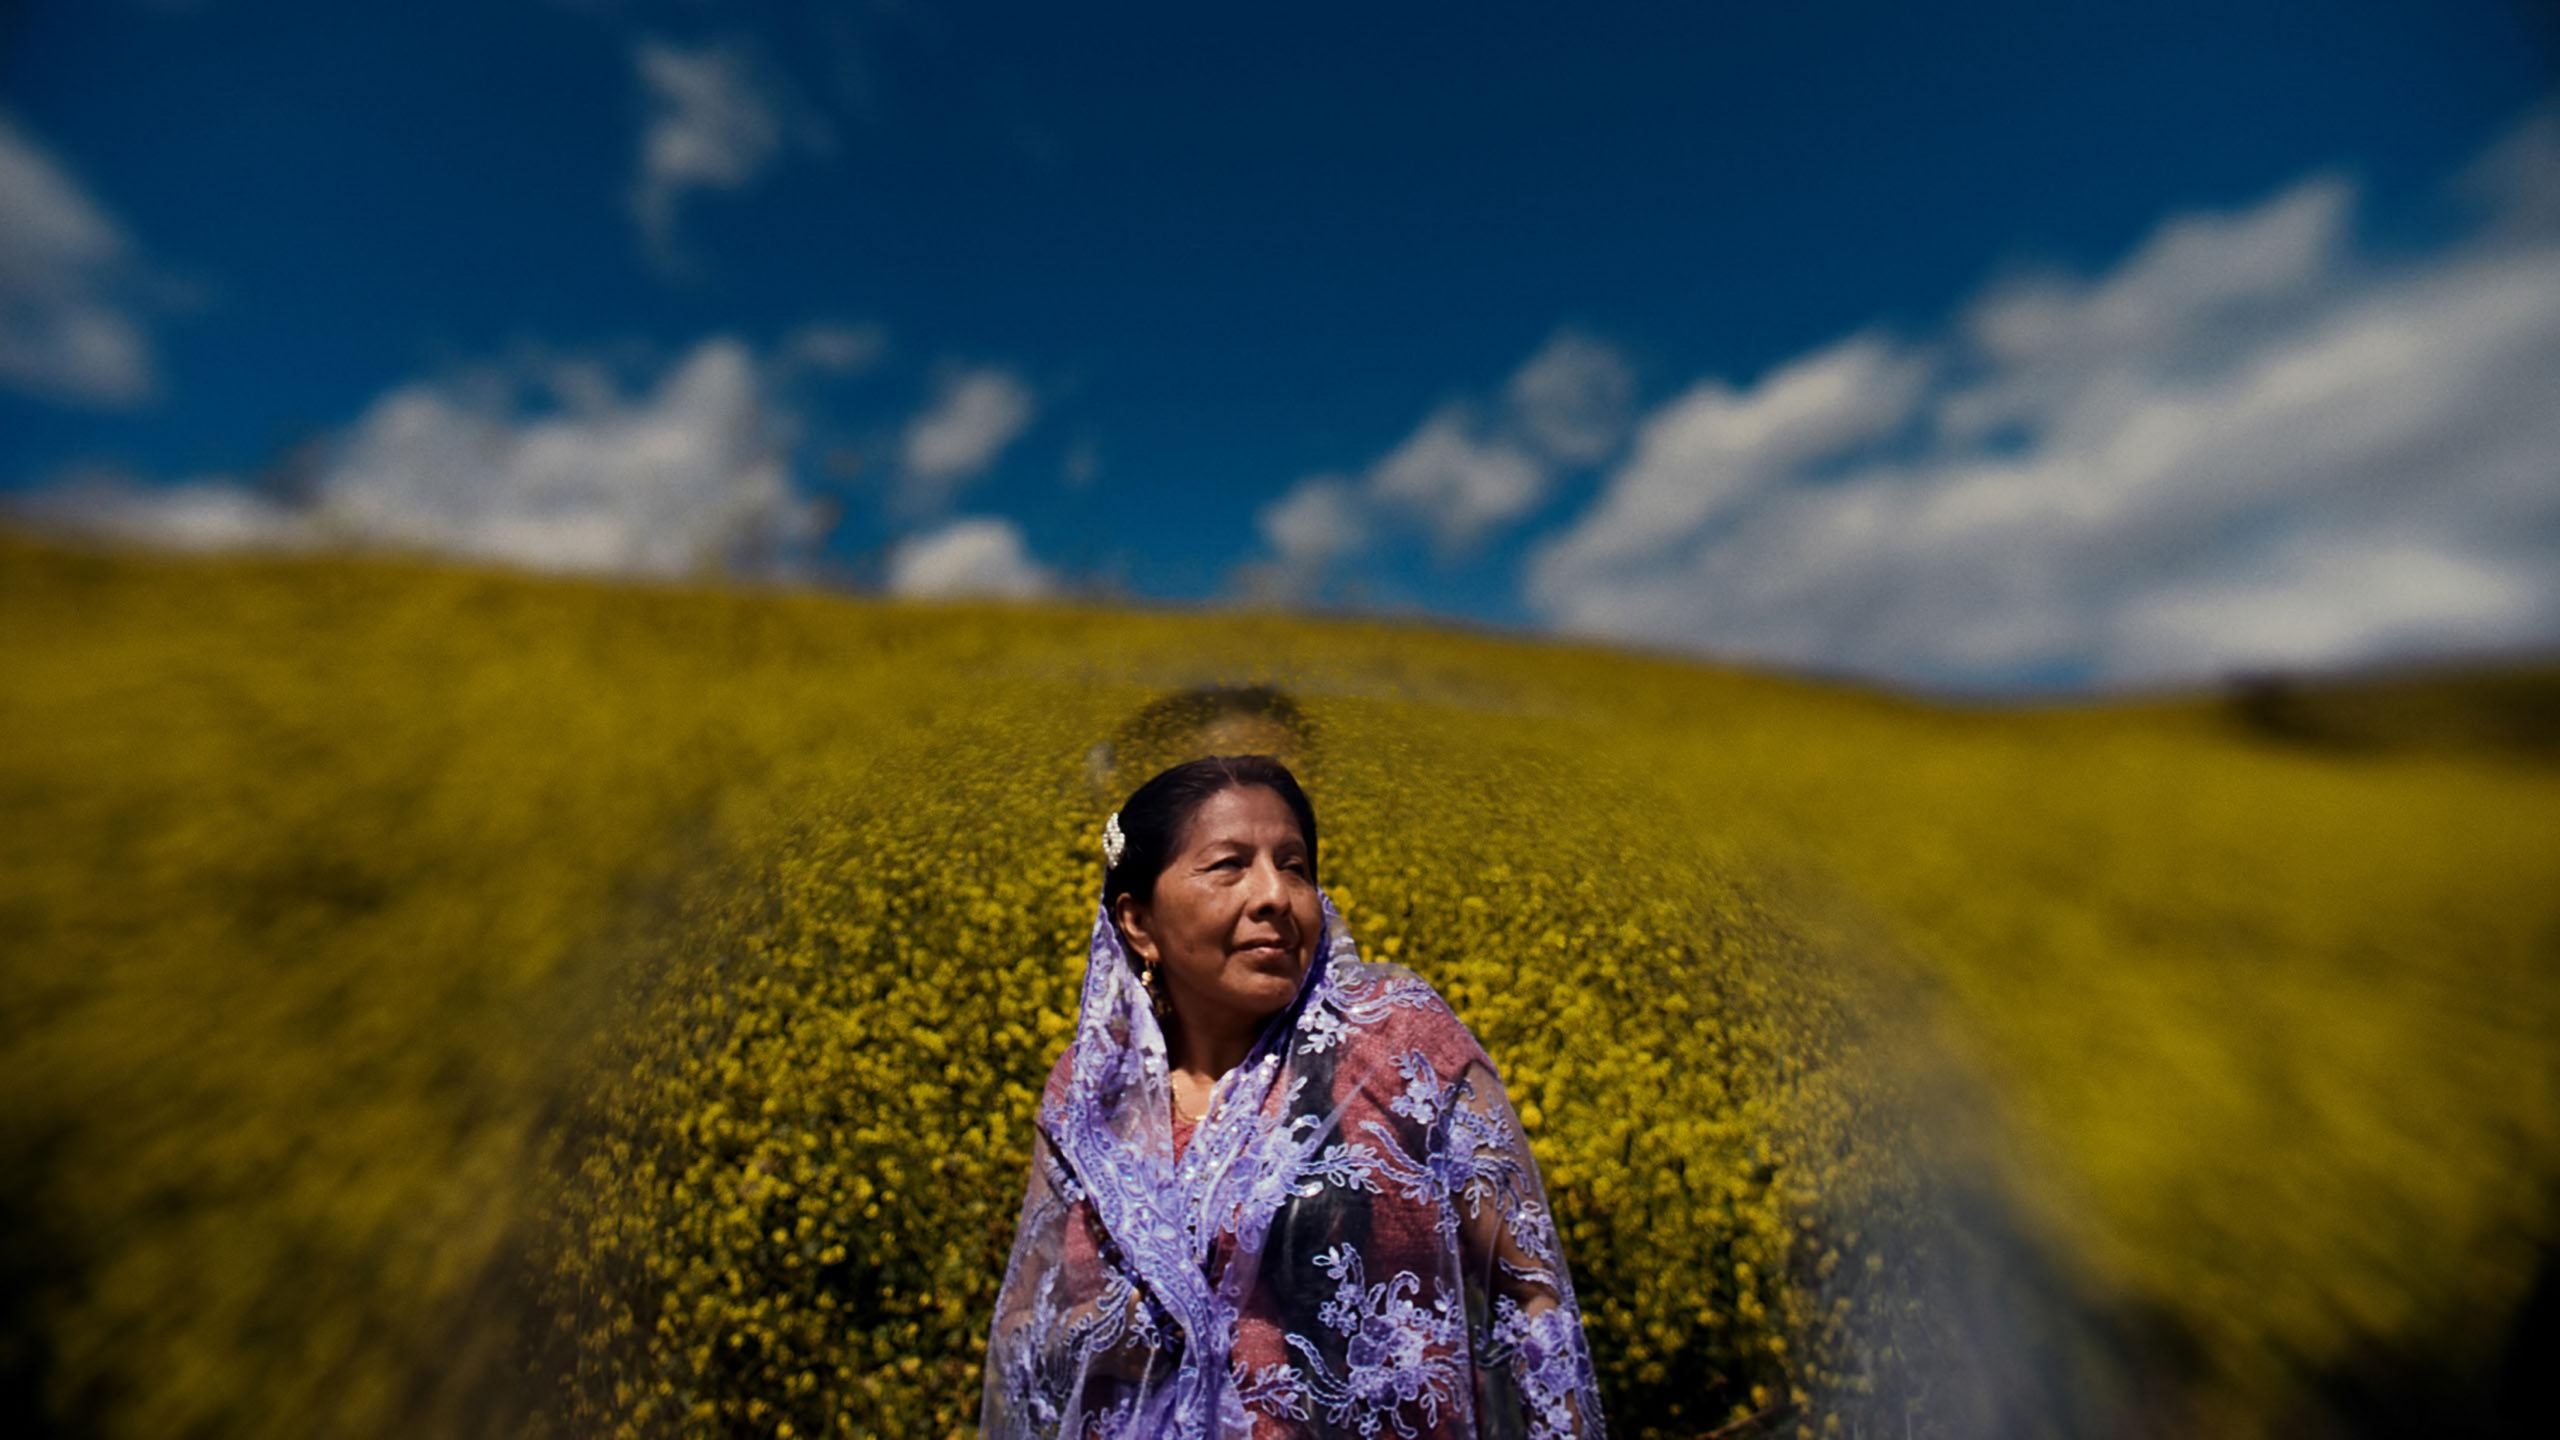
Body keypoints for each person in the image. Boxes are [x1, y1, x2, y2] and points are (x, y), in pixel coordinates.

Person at [980, 754, 1608, 1438]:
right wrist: (1110, 1332)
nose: (1274, 894)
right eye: (1229, 865)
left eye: (1295, 866)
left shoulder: (1397, 1043)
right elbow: (1022, 1330)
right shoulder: (1092, 1089)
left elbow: (1533, 1294)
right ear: (1138, 922)